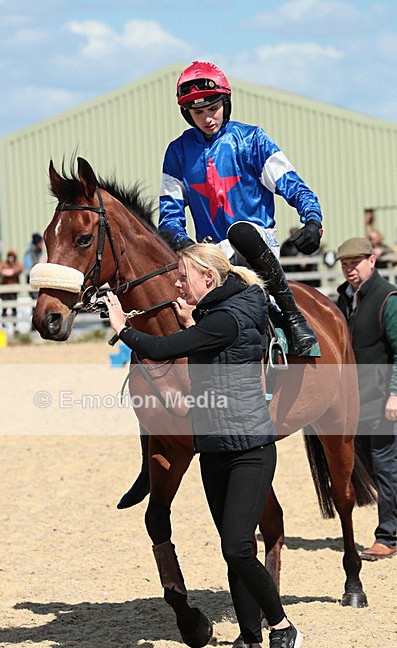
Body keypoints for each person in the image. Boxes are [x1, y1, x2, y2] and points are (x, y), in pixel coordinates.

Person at [120, 59, 323, 510]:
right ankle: (146, 459)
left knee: (243, 236)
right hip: (205, 258)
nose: (207, 115)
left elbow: (290, 182)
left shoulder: (252, 139)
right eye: (197, 110)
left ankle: (292, 319)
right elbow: (170, 214)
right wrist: (189, 251)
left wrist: (312, 217)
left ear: (224, 102)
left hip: (253, 253)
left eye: (212, 106)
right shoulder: (177, 153)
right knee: (151, 339)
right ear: (186, 114)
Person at [105, 243, 303, 648]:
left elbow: (165, 347)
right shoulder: (216, 316)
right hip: (215, 448)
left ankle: (283, 628)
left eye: (183, 276)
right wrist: (193, 320)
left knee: (237, 545)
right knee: (233, 552)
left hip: (249, 450)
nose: (175, 282)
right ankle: (252, 647)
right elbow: (204, 347)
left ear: (208, 280)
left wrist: (122, 328)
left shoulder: (230, 319)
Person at [336, 237, 397, 560]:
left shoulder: (388, 299)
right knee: (375, 468)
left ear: (371, 261)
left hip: (384, 398)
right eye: (345, 265)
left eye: (355, 263)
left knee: (386, 467)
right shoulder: (345, 299)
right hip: (359, 400)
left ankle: (387, 536)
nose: (350, 270)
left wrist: (395, 395)